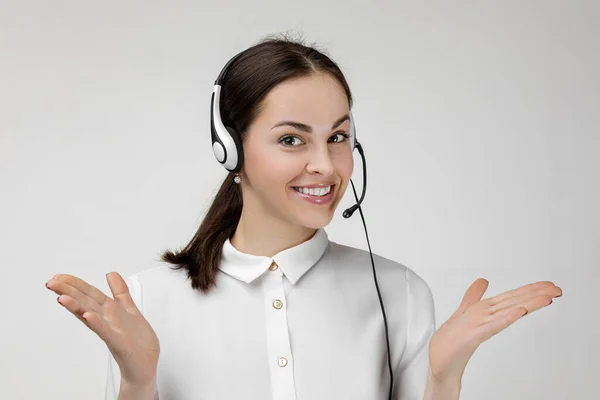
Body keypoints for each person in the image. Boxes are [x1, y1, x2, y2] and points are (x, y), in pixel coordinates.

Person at [45, 35, 562, 400]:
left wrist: (443, 380)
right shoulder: (146, 302)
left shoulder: (399, 292)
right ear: (230, 148)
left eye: (337, 137)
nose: (325, 164)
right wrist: (138, 384)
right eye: (292, 139)